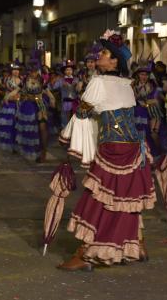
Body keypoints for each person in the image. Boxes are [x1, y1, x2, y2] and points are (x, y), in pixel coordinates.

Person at [57, 30, 155, 271]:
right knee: (127, 200)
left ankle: (83, 255)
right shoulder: (127, 84)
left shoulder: (98, 82)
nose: (98, 55)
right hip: (134, 147)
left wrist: (66, 137)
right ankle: (137, 244)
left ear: (114, 61)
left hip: (112, 148)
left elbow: (81, 114)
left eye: (103, 52)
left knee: (97, 199)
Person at [15, 62, 54, 162]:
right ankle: (34, 151)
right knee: (30, 130)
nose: (34, 73)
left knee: (42, 127)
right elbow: (17, 90)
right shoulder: (25, 80)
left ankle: (43, 152)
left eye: (35, 71)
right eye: (32, 71)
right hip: (28, 105)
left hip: (40, 104)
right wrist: (8, 96)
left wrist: (52, 99)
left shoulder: (41, 80)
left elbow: (48, 91)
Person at [133, 65, 165, 156]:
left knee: (149, 134)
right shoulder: (134, 86)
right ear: (138, 75)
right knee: (136, 132)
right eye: (142, 74)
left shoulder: (152, 87)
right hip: (136, 112)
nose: (144, 77)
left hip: (149, 113)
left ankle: (149, 153)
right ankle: (137, 154)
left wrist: (146, 103)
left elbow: (156, 101)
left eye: (146, 75)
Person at [0, 65, 22, 151]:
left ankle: (16, 144)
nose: (16, 71)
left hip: (19, 104)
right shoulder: (7, 80)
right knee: (9, 125)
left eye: (17, 70)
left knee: (17, 125)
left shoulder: (22, 80)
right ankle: (9, 144)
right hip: (9, 105)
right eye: (14, 70)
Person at [51, 60, 80, 129]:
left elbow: (79, 90)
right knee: (64, 119)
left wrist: (77, 86)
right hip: (65, 102)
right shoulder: (61, 80)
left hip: (75, 102)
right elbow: (54, 87)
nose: (69, 71)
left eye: (70, 69)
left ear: (72, 71)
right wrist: (56, 81)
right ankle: (65, 133)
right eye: (67, 70)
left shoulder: (76, 79)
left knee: (75, 119)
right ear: (64, 71)